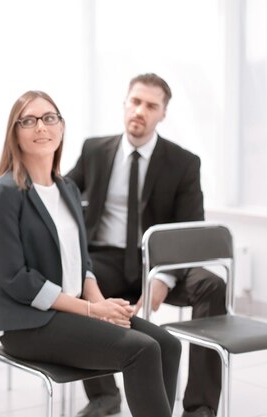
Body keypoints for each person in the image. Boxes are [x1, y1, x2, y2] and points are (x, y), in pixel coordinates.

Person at [0, 90, 181, 417]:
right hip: (28, 324)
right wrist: (90, 310)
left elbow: (82, 261)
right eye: (28, 121)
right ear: (15, 133)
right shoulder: (3, 193)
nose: (41, 127)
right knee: (141, 350)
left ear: (61, 127)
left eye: (49, 118)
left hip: (71, 311)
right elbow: (17, 280)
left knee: (168, 346)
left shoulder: (67, 188)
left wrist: (101, 303)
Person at [67, 73, 226, 417]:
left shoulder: (184, 162)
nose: (140, 111)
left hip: (161, 261)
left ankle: (200, 408)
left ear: (163, 114)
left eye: (151, 106)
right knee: (77, 282)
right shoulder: (94, 150)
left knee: (213, 284)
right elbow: (61, 196)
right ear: (125, 104)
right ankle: (104, 396)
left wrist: (164, 280)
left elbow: (187, 231)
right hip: (106, 258)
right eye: (135, 101)